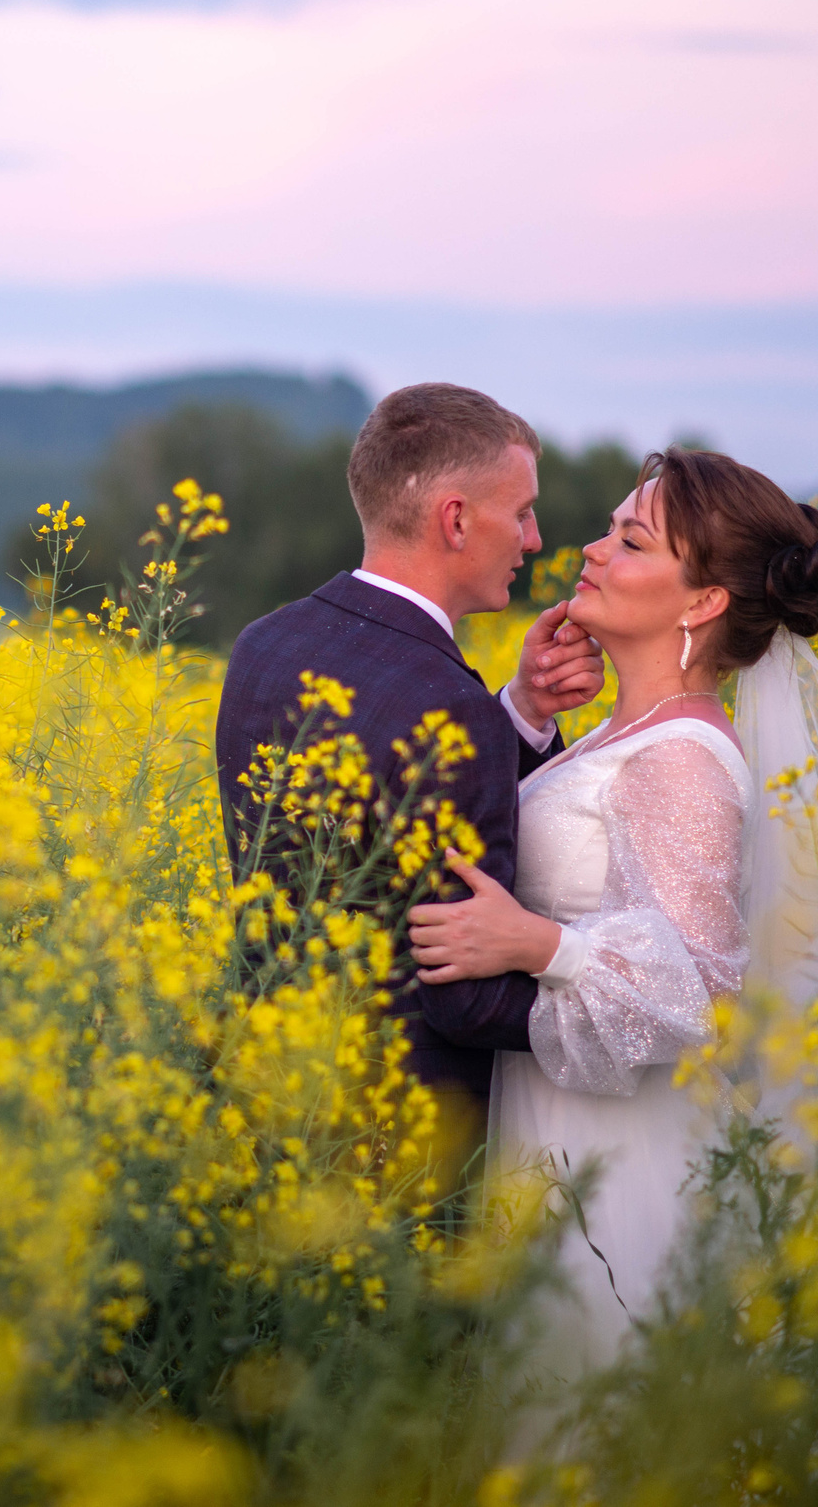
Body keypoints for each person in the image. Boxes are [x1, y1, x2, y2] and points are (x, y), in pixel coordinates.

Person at [402, 445, 818, 1371]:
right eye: (609, 527)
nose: (593, 549)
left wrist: (537, 944)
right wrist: (526, 706)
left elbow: (701, 994)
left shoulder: (679, 758)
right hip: (563, 1133)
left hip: (618, 1163)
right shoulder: (627, 735)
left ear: (703, 602)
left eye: (632, 540)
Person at [215, 383, 607, 1167]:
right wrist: (610, 998)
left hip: (261, 1094)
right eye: (521, 511)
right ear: (456, 520)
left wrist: (523, 709)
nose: (533, 539)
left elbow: (378, 787)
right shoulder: (444, 704)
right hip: (397, 1143)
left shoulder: (265, 643)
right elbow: (461, 997)